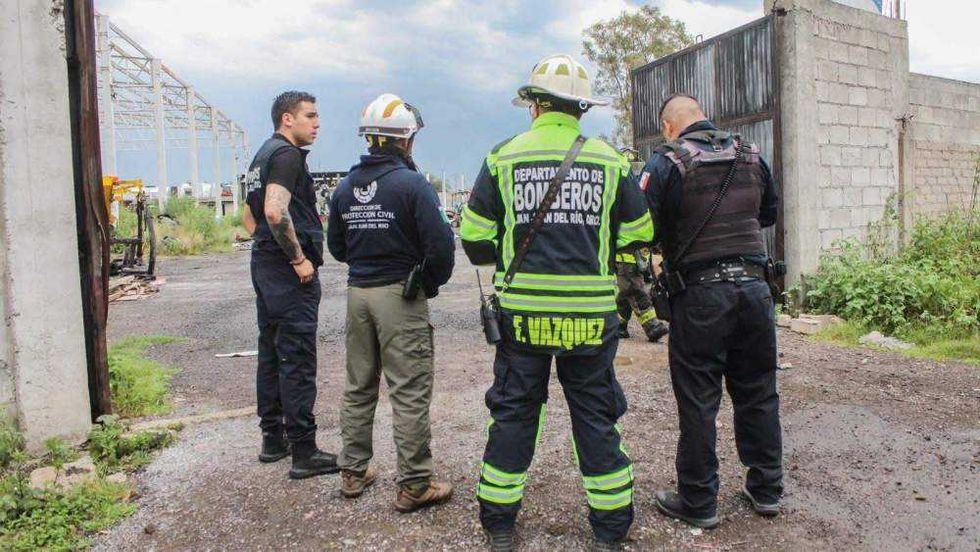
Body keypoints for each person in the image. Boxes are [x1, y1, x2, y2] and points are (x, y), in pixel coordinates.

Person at [460, 54, 653, 551]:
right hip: (590, 320)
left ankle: (500, 524)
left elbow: (475, 239)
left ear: (534, 106)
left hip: (521, 319)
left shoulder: (503, 156)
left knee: (514, 415)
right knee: (594, 416)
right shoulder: (609, 160)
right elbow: (639, 234)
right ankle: (611, 530)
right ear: (581, 108)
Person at [639, 93, 782, 528]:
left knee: (700, 400)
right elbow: (768, 214)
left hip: (701, 296)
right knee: (758, 391)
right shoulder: (751, 154)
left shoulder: (665, 162)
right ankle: (767, 490)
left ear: (669, 126)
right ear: (703, 116)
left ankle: (700, 502)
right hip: (756, 290)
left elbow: (640, 227)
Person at [327, 93, 456, 512]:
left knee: (359, 386)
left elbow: (338, 247)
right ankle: (415, 482)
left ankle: (353, 471)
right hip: (399, 296)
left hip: (357, 295)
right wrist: (427, 283)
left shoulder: (345, 187)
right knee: (409, 390)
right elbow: (440, 247)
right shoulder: (412, 184)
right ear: (406, 140)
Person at [242, 91, 338, 479]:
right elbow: (273, 210)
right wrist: (298, 259)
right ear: (287, 119)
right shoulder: (286, 155)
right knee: (297, 357)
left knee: (271, 350)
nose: (316, 124)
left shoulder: (261, 155)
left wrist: (265, 246)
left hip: (264, 266)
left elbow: (249, 218)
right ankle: (304, 450)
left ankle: (272, 439)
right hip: (286, 271)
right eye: (310, 116)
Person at [613, 247, 668, 341]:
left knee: (626, 293)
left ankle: (618, 326)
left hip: (633, 258)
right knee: (635, 291)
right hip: (627, 257)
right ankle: (652, 326)